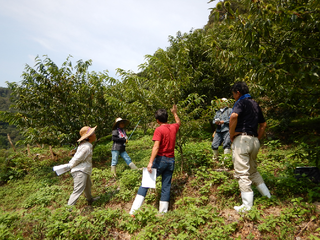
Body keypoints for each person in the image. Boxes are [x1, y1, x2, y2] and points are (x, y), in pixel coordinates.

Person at [129, 105, 181, 216]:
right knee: (166, 186)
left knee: (145, 182)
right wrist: (175, 113)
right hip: (171, 160)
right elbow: (178, 122)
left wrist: (150, 162)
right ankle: (162, 214)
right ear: (166, 118)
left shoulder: (159, 130)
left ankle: (134, 211)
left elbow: (156, 147)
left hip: (160, 160)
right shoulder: (173, 127)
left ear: (157, 120)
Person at [229, 82, 271, 213]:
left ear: (238, 93)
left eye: (234, 94)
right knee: (253, 171)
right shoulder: (255, 104)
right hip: (254, 141)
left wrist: (231, 134)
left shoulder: (241, 102)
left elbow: (234, 116)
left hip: (242, 140)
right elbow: (263, 124)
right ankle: (268, 197)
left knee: (242, 173)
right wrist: (257, 138)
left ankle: (247, 206)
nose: (234, 97)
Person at [67, 126, 100, 206]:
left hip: (84, 170)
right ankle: (68, 210)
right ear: (89, 137)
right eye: (93, 134)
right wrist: (69, 166)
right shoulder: (86, 147)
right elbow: (77, 159)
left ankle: (90, 200)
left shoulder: (85, 145)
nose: (95, 135)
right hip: (80, 171)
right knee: (78, 190)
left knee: (88, 186)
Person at [211, 98, 232, 162]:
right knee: (214, 144)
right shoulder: (218, 112)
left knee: (226, 144)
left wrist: (224, 122)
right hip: (218, 130)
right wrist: (216, 122)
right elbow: (213, 121)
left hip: (227, 130)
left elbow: (232, 120)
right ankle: (215, 160)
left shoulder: (230, 110)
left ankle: (226, 161)